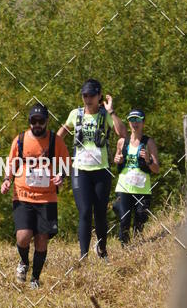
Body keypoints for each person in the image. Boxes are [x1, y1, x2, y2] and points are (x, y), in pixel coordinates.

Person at [1, 103, 70, 288]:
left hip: (47, 198)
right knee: (23, 236)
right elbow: (11, 163)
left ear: (46, 121)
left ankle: (35, 278)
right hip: (22, 195)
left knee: (41, 240)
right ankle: (24, 262)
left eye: (40, 121)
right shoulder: (21, 140)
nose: (37, 124)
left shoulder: (56, 141)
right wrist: (7, 179)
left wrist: (60, 176)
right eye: (33, 121)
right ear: (29, 122)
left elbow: (66, 164)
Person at [57, 79, 127, 260]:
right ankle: (83, 255)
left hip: (101, 170)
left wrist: (111, 111)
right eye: (84, 95)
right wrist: (55, 151)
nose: (87, 99)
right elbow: (61, 133)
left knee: (100, 213)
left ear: (99, 96)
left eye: (91, 95)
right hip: (80, 170)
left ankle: (102, 248)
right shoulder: (75, 114)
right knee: (85, 211)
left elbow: (122, 133)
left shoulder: (105, 115)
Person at [113, 109, 159, 245]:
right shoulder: (122, 142)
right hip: (124, 187)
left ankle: (137, 246)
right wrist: (118, 160)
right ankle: (124, 248)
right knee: (124, 219)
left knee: (140, 220)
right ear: (128, 122)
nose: (135, 123)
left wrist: (149, 160)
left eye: (138, 120)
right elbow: (118, 161)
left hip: (142, 189)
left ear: (143, 122)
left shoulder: (149, 142)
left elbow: (156, 169)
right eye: (132, 120)